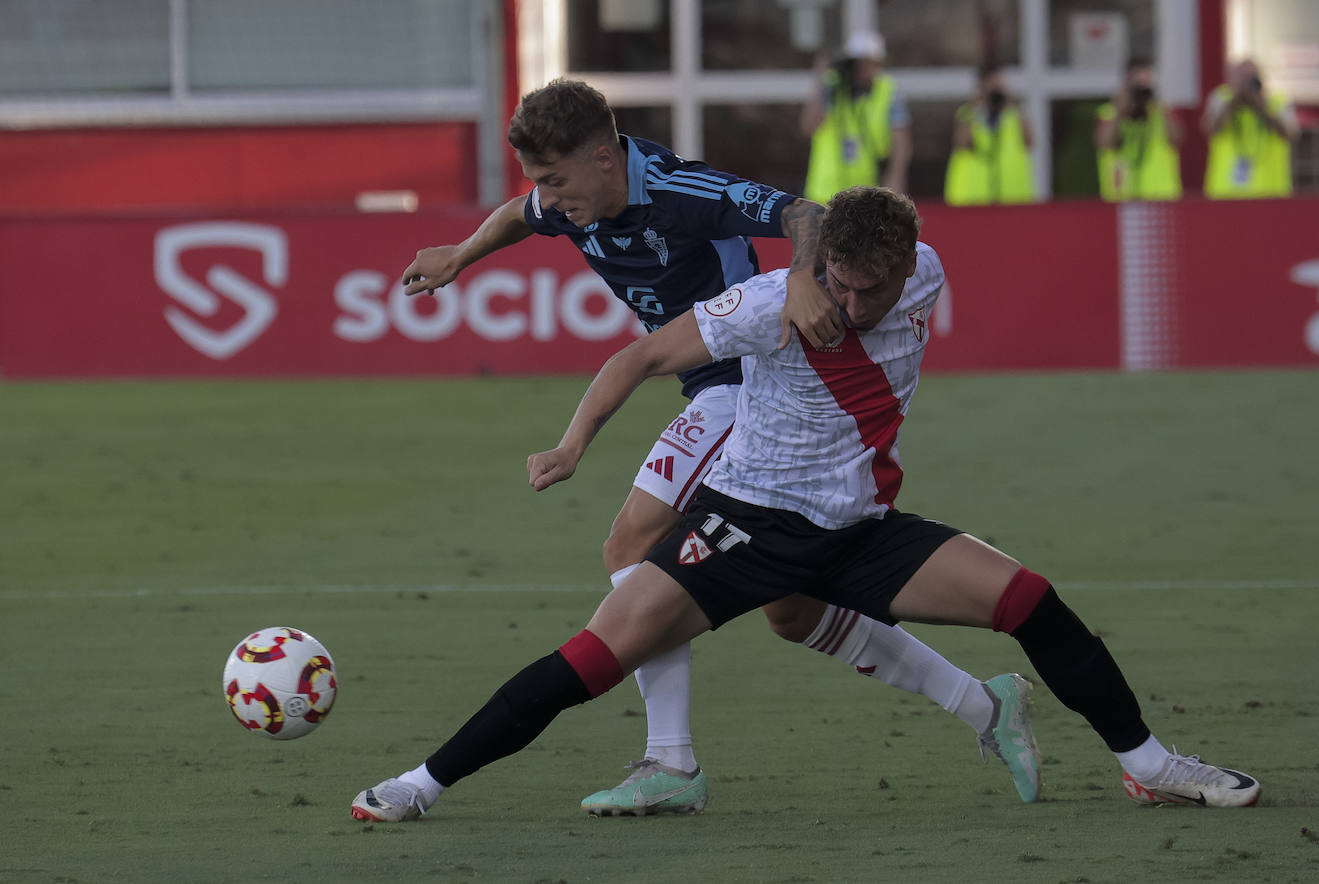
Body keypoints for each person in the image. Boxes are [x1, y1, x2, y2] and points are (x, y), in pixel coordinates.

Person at [351, 186, 1261, 824]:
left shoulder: (926, 270)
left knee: (1030, 601)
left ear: (911, 269)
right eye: (837, 282)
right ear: (817, 264)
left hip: (862, 527)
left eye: (875, 288)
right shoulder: (765, 303)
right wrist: (572, 444)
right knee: (594, 654)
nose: (854, 303)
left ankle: (1150, 768)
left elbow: (832, 223)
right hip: (747, 523)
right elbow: (636, 358)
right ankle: (421, 783)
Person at [394, 79, 1040, 817]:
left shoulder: (679, 190)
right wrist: (461, 255)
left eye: (556, 180)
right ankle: (984, 706)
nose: (548, 196)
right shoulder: (571, 197)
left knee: (630, 544)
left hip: (746, 389)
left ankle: (670, 760)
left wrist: (799, 279)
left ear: (605, 159)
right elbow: (520, 214)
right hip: (705, 390)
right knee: (792, 611)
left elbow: (806, 212)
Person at [801, 31, 911, 203]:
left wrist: (895, 178)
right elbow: (809, 127)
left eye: (867, 63)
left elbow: (901, 142)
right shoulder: (833, 87)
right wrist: (820, 80)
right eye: (857, 63)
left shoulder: (887, 91)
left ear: (878, 64)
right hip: (824, 192)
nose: (862, 69)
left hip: (865, 193)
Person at [1202, 59, 1299, 199]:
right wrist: (1234, 102)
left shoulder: (1277, 101)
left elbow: (1290, 134)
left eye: (1251, 78)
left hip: (1270, 191)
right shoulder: (1222, 98)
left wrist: (1262, 107)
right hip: (1227, 192)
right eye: (1242, 78)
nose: (1247, 84)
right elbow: (1210, 129)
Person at [944, 62, 1035, 205]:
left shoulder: (1014, 115)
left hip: (1011, 198)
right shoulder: (969, 113)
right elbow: (962, 143)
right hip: (973, 198)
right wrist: (977, 105)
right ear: (981, 86)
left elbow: (1030, 142)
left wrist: (1014, 104)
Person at [1095, 58, 1183, 201]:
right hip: (1121, 198)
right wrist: (1119, 109)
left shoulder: (1160, 113)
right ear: (1125, 83)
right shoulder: (1109, 113)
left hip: (1160, 198)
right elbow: (1105, 143)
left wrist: (1159, 105)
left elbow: (1178, 138)